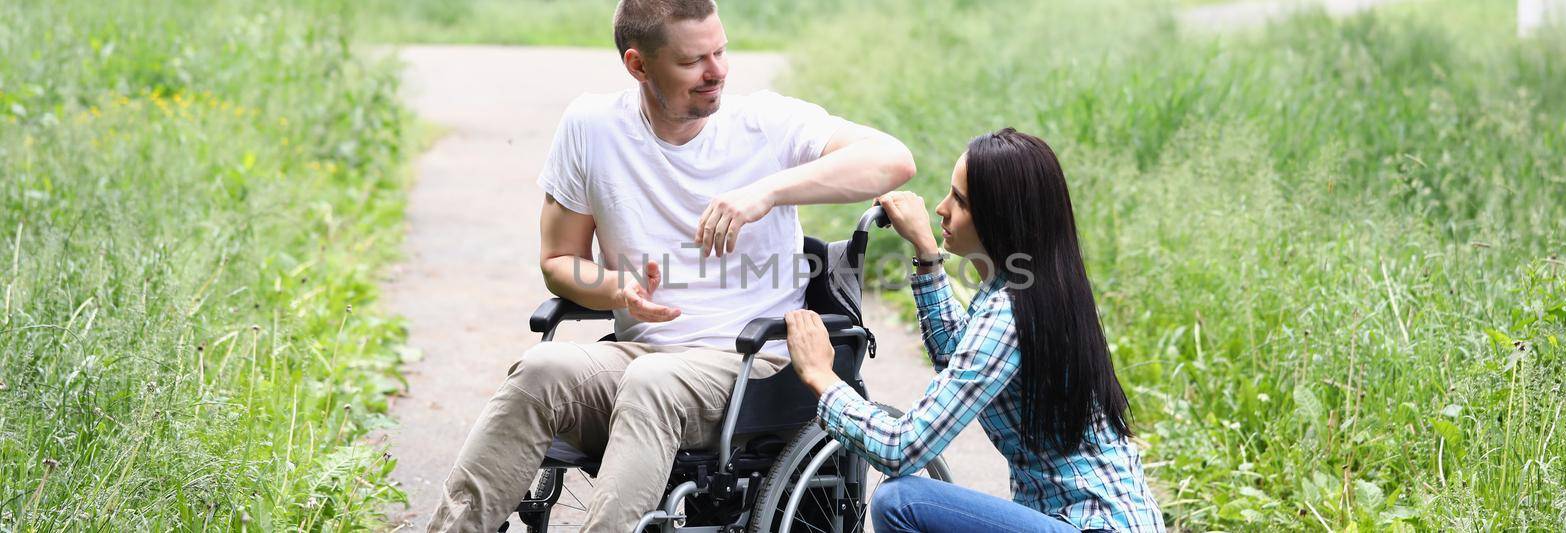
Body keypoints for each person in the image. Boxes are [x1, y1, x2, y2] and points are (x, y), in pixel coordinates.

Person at [425, 1, 917, 531]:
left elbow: (894, 160)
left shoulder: (767, 123)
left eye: (721, 51)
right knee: (541, 371)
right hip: (641, 356)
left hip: (752, 366)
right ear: (638, 65)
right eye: (692, 61)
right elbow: (560, 261)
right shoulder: (592, 126)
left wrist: (765, 193)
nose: (717, 71)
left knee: (653, 381)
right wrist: (617, 289)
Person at [784, 128, 1164, 532]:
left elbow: (902, 447)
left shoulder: (1010, 315)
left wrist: (822, 377)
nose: (941, 208)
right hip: (1105, 519)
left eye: (960, 201)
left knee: (900, 501)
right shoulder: (1034, 287)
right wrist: (928, 255)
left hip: (1089, 525)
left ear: (1001, 219)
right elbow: (957, 357)